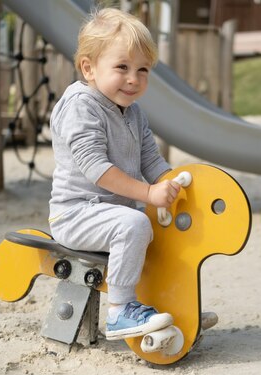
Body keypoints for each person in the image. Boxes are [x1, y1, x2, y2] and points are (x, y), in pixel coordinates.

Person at [48, 8, 179, 341]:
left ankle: (172, 303)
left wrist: (173, 184)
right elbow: (97, 169)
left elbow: (153, 162)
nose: (133, 79)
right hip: (75, 214)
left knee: (161, 229)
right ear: (89, 68)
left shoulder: (133, 113)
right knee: (135, 224)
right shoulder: (81, 105)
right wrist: (149, 194)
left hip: (111, 213)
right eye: (122, 67)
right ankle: (121, 311)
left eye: (143, 70)